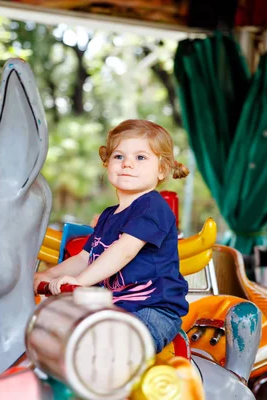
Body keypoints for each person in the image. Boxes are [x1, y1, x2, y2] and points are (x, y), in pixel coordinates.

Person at [34, 119, 189, 353]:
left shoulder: (152, 206)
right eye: (119, 156)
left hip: (151, 311)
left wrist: (81, 281)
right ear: (107, 163)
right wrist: (46, 275)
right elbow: (86, 258)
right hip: (114, 308)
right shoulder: (108, 216)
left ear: (162, 169)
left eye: (140, 157)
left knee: (104, 351)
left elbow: (124, 250)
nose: (127, 164)